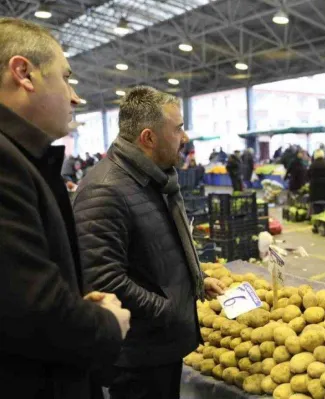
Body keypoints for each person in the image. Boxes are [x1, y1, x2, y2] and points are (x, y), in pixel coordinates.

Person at [0, 17, 129, 399]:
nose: (75, 97)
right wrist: (107, 323)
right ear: (24, 73)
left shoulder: (23, 160)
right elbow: (33, 312)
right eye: (65, 77)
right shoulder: (5, 163)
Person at [72, 86, 226, 399]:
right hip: (138, 356)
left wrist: (193, 280)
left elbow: (153, 251)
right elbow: (101, 279)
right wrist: (169, 309)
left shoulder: (152, 179)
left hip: (161, 346)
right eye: (178, 128)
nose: (184, 137)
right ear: (148, 138)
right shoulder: (105, 189)